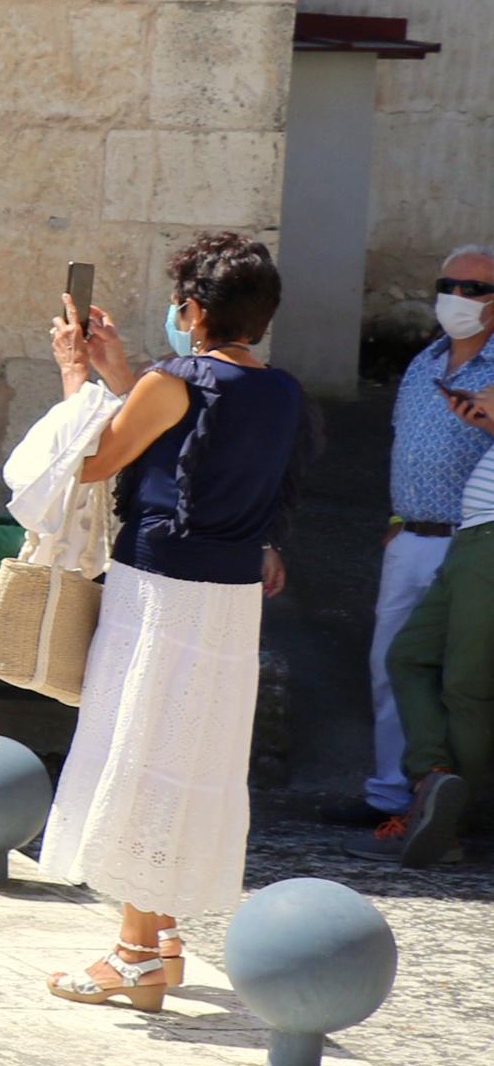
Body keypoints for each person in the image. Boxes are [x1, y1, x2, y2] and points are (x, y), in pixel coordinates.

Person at [38, 234, 311, 1014]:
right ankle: (158, 939)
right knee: (188, 756)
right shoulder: (281, 390)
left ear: (190, 309)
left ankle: (131, 954)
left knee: (140, 746)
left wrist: (74, 373)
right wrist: (126, 373)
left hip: (159, 590)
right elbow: (191, 432)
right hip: (226, 604)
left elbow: (91, 459)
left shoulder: (173, 379)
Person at [361, 245, 494, 833]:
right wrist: (395, 522)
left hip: (472, 540)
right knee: (393, 665)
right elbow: (401, 446)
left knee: (459, 677)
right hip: (411, 536)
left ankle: (448, 808)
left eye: (474, 290)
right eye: (450, 285)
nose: (457, 299)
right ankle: (391, 795)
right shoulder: (422, 364)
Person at [379, 430, 494, 864]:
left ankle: (445, 828)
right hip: (473, 539)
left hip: (488, 542)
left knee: (468, 688)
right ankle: (433, 780)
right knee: (408, 656)